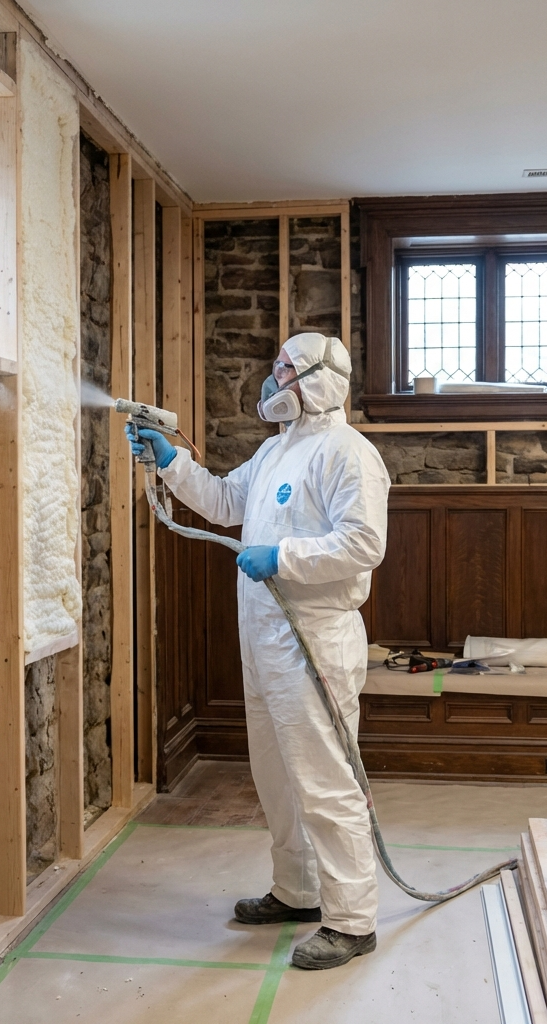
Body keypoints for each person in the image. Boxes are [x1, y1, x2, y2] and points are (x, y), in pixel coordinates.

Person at [126, 332, 390, 970]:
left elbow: (363, 545)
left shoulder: (349, 455)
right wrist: (170, 461)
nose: (272, 383)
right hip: (266, 638)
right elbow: (223, 501)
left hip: (315, 639)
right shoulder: (276, 452)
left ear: (316, 381)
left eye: (283, 372)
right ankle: (297, 890)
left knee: (325, 782)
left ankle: (352, 920)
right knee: (277, 777)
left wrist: (284, 557)